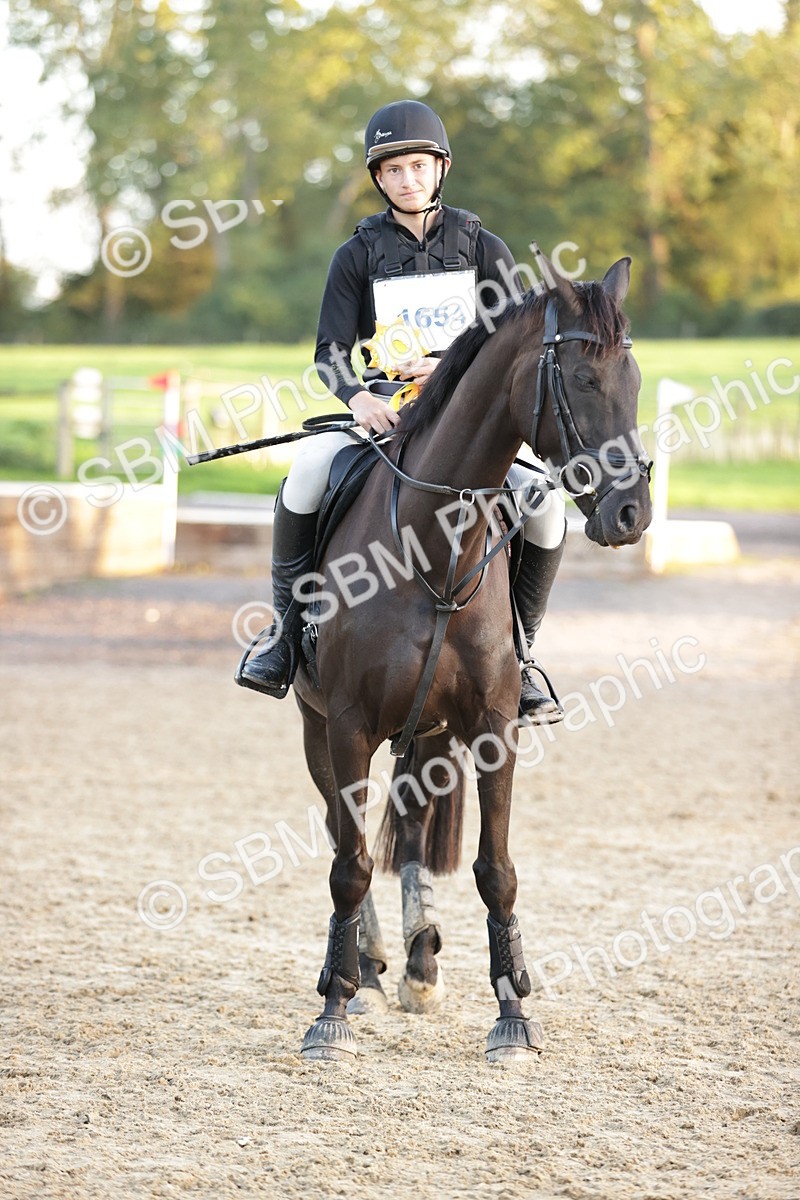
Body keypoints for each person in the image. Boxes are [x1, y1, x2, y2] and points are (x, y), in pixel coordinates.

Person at [237, 99, 566, 723]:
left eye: (417, 166)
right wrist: (359, 400)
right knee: (306, 475)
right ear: (378, 178)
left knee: (546, 506)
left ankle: (521, 658)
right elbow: (329, 352)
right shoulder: (355, 255)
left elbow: (517, 344)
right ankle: (284, 635)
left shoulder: (484, 248)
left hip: (467, 422)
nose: (406, 179)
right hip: (384, 413)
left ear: (441, 168)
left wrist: (448, 372)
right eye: (392, 170)